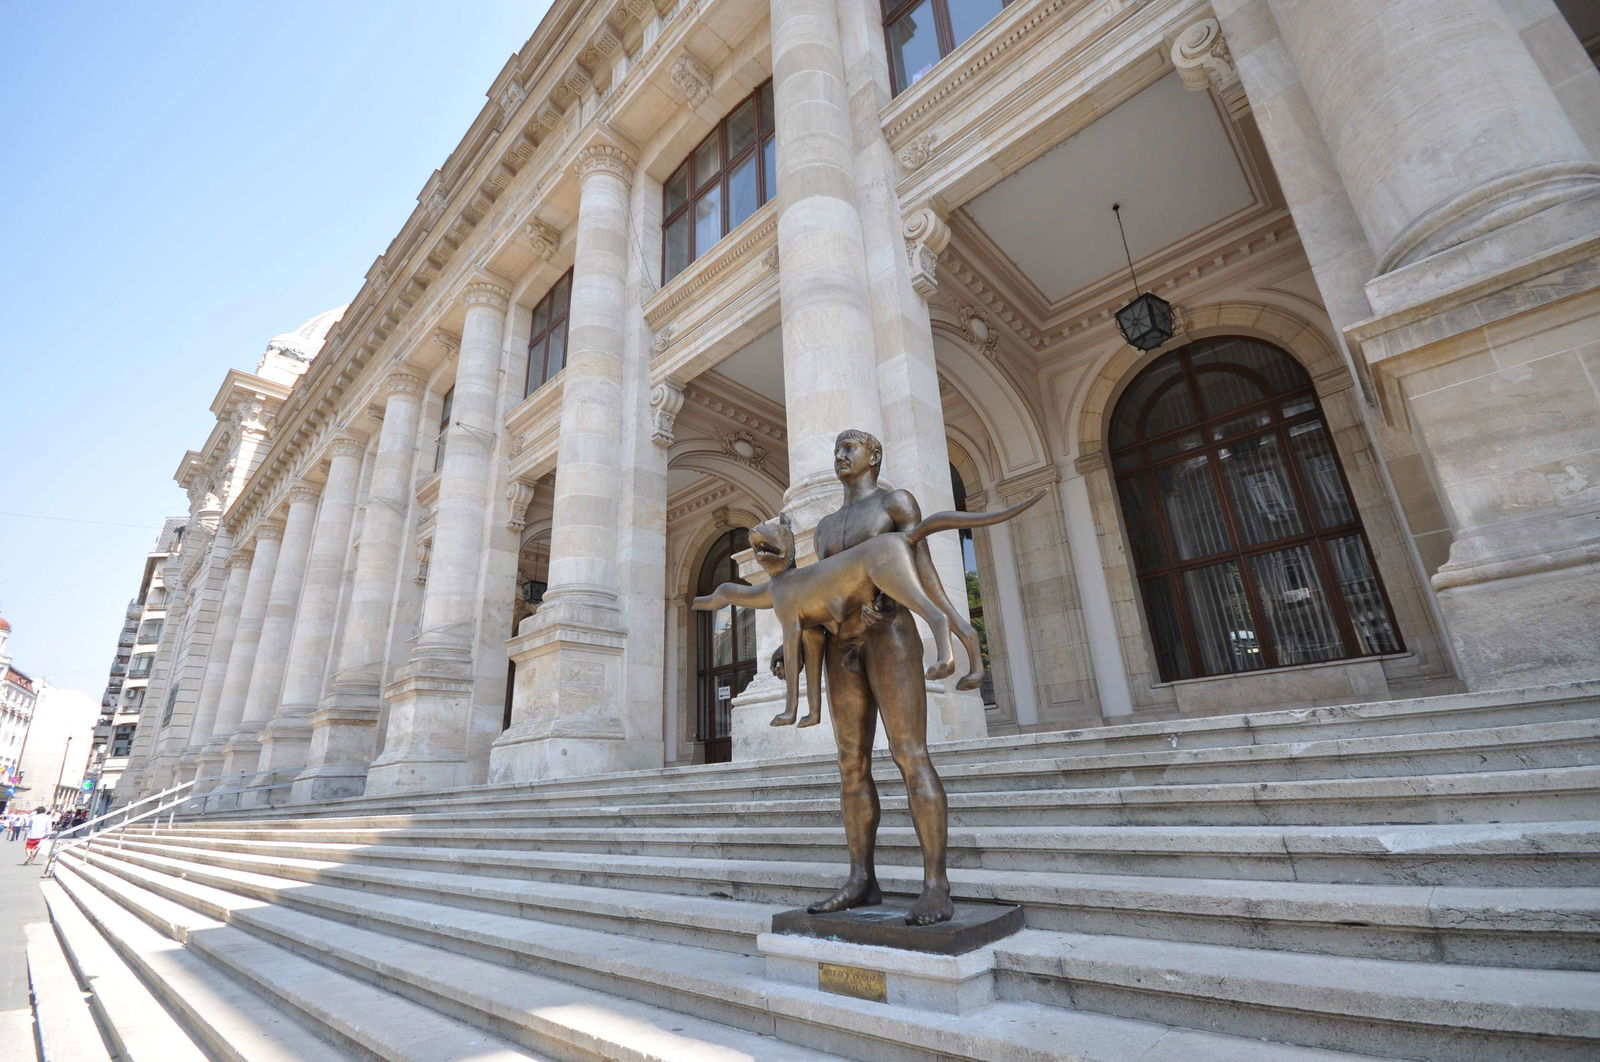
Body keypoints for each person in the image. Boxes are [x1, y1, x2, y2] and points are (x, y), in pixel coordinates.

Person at [783, 428, 965, 926]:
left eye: (850, 448)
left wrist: (953, 632)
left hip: (890, 637)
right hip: (843, 644)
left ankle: (936, 885)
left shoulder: (896, 502)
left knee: (910, 754)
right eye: (836, 449)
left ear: (874, 455)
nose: (840, 456)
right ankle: (861, 878)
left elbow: (922, 571)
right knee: (850, 764)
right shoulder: (823, 528)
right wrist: (796, 645)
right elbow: (822, 592)